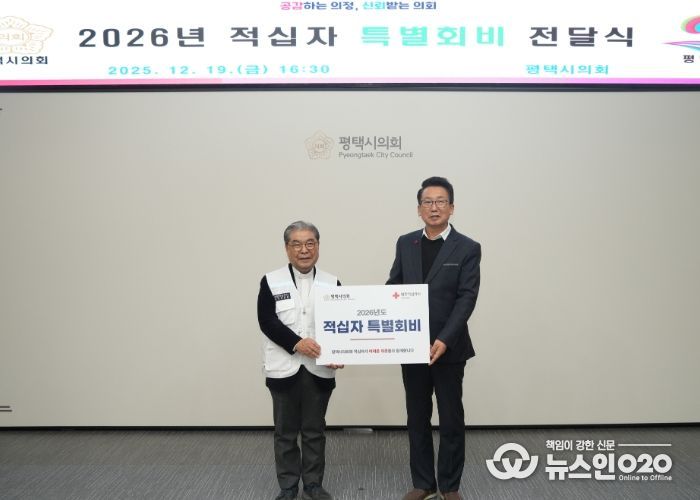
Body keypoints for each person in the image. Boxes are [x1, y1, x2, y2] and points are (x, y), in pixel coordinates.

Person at [387, 177, 481, 500]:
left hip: (448, 348)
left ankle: (450, 486)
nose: (434, 207)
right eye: (428, 202)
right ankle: (423, 482)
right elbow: (394, 286)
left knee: (451, 418)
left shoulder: (467, 247)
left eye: (441, 201)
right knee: (417, 417)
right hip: (411, 346)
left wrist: (444, 338)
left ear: (452, 208)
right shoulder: (406, 243)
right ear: (419, 209)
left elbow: (467, 297)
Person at [257, 221, 343, 500]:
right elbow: (267, 321)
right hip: (283, 368)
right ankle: (288, 486)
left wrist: (340, 352)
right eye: (296, 244)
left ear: (317, 246)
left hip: (319, 370)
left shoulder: (332, 282)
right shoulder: (271, 281)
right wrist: (297, 343)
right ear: (287, 248)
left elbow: (342, 324)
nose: (304, 250)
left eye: (310, 243)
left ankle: (314, 485)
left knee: (314, 430)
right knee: (285, 432)